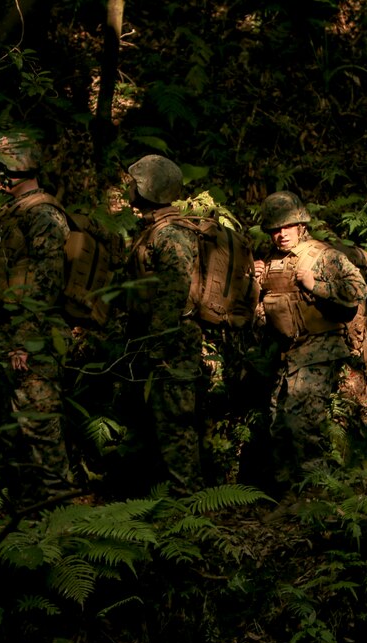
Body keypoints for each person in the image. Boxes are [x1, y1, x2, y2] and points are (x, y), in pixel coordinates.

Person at [254, 191, 367, 489]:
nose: (280, 235)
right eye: (275, 229)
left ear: (300, 225)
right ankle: (289, 494)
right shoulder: (270, 263)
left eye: (286, 227)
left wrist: (315, 284)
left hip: (320, 349)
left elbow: (358, 290)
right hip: (288, 353)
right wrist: (253, 286)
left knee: (302, 425)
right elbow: (264, 313)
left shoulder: (322, 256)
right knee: (278, 424)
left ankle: (317, 496)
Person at [0, 132, 73, 493]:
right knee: (17, 425)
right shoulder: (14, 212)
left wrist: (25, 341)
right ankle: (29, 508)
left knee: (40, 424)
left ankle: (59, 504)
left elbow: (46, 282)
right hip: (13, 332)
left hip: (35, 337)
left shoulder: (44, 215)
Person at [124, 154, 205, 489]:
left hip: (172, 343)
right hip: (158, 340)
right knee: (156, 421)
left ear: (147, 190)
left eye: (133, 184)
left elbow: (173, 292)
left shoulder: (170, 233)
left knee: (175, 422)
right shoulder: (155, 230)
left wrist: (157, 344)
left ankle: (188, 501)